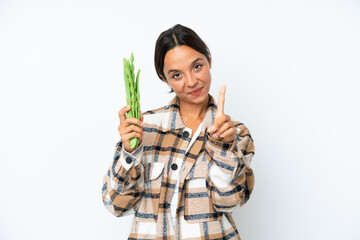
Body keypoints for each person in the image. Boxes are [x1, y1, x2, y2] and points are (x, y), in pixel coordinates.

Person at [102, 24, 255, 240]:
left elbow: (229, 201)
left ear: (208, 60)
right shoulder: (144, 127)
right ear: (164, 78)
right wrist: (129, 153)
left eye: (197, 66)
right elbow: (115, 205)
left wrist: (222, 149)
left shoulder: (236, 134)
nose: (191, 82)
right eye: (176, 75)